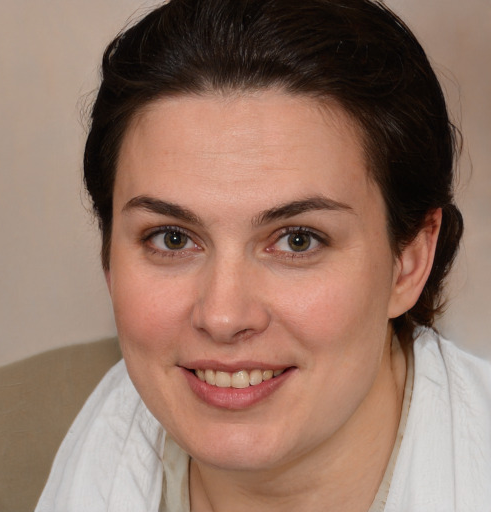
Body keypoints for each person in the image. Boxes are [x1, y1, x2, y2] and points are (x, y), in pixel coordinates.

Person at [36, 0, 491, 510]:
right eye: (172, 238)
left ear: (408, 261)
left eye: (298, 240)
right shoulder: (12, 433)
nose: (224, 316)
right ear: (110, 260)